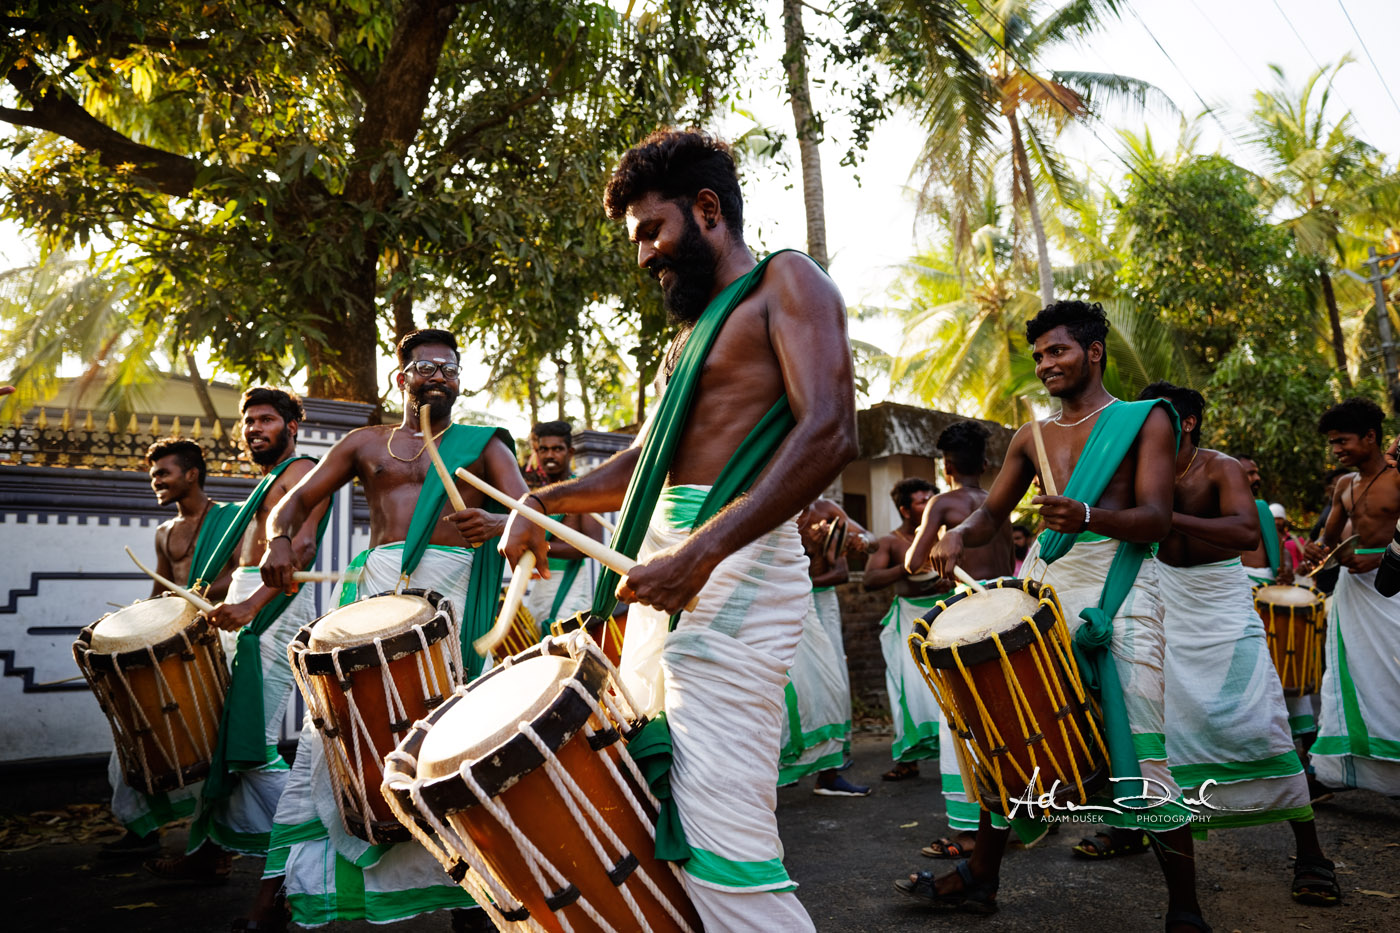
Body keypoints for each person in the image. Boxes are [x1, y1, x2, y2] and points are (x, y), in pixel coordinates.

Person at [501, 129, 855, 932]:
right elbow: (643, 461)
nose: (644, 258)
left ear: (706, 210)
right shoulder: (686, 342)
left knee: (723, 836)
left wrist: (700, 552)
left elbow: (831, 431)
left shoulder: (786, 281)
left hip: (734, 574)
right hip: (674, 572)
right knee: (663, 806)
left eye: (652, 233)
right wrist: (539, 503)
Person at [898, 300, 1206, 933]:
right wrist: (958, 534)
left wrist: (1089, 518)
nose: (1045, 365)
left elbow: (1157, 518)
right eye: (1038, 356)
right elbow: (993, 515)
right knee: (1012, 722)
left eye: (1057, 351)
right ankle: (983, 877)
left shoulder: (1146, 420)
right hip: (1044, 585)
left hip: (1122, 584)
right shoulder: (1029, 437)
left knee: (1142, 739)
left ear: (1093, 352)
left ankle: (1185, 905)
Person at [257, 330, 523, 930]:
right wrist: (278, 538)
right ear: (400, 379)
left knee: (459, 737)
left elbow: (533, 518)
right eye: (425, 367)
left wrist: (498, 522)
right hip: (373, 603)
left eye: (450, 369)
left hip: (453, 606)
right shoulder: (363, 444)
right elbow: (290, 505)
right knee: (334, 735)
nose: (439, 376)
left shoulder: (484, 446)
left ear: (460, 382)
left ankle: (473, 897)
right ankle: (280, 892)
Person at [1139, 382, 1338, 906]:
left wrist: (1162, 516)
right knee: (1162, 731)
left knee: (1262, 721)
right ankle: (1144, 832)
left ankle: (1312, 853)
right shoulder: (1140, 471)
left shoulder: (1219, 467)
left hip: (1223, 605)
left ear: (1185, 422)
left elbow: (1245, 532)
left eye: (1155, 419)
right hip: (1166, 604)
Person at [144, 389, 331, 892]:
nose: (254, 428)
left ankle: (319, 851)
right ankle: (209, 854)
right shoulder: (270, 479)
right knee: (221, 739)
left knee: (250, 744)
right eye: (249, 421)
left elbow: (302, 548)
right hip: (251, 600)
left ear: (293, 426)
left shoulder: (302, 473)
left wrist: (251, 605)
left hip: (275, 605)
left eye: (267, 419)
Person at [101, 438, 239, 860]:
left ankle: (215, 844)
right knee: (136, 731)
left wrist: (191, 597)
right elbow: (159, 590)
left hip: (215, 638)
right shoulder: (164, 532)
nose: (154, 480)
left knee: (210, 743)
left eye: (163, 472)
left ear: (192, 474)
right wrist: (138, 627)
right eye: (153, 472)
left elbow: (239, 579)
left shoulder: (230, 520)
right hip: (170, 644)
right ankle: (141, 830)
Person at [903, 420, 1016, 860]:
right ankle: (1019, 816)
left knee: (964, 722)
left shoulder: (943, 503)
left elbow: (914, 562)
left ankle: (971, 830)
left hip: (967, 619)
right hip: (1007, 609)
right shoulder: (995, 502)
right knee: (1008, 716)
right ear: (985, 464)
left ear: (945, 464)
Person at [1303, 398, 1400, 796]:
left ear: (1371, 437)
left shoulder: (1397, 478)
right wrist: (1317, 552)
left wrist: (1379, 557)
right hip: (1351, 595)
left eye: (1342, 441)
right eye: (1332, 443)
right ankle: (1337, 773)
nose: (1336, 450)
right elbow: (1327, 542)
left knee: (1394, 679)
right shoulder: (1344, 485)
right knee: (1349, 679)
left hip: (1393, 591)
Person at [783, 498, 870, 796]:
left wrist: (852, 539)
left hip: (820, 602)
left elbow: (868, 541)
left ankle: (829, 773)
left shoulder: (827, 510)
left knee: (831, 683)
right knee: (789, 689)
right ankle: (788, 766)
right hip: (783, 601)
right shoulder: (773, 500)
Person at [864, 477, 944, 780]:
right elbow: (870, 580)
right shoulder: (891, 542)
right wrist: (909, 566)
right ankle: (908, 758)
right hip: (910, 618)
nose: (930, 504)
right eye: (922, 500)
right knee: (907, 689)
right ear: (905, 509)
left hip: (946, 613)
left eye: (932, 497)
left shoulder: (946, 535)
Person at [521, 420, 603, 631]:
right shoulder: (536, 498)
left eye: (557, 449)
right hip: (541, 587)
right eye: (544, 449)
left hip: (571, 585)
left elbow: (593, 545)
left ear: (570, 452)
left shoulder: (581, 491)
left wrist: (538, 547)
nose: (550, 455)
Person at [1238, 456, 1293, 586]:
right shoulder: (1214, 510)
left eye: (1257, 472)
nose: (1257, 478)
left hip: (1265, 589)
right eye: (1251, 473)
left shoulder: (1261, 509)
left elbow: (1282, 548)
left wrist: (1287, 567)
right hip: (1232, 590)